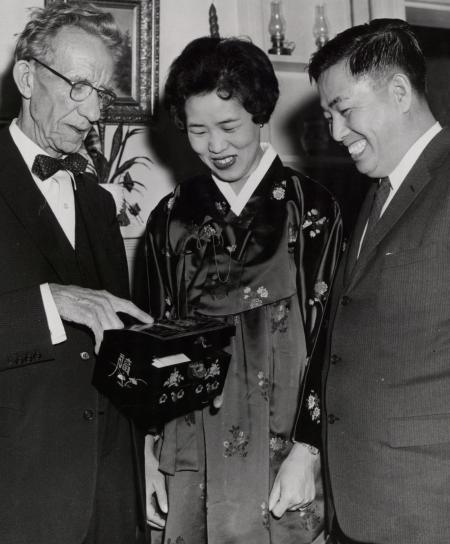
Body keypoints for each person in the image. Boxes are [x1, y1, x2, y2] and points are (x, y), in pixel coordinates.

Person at [135, 36, 342, 544]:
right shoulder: (170, 218)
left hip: (287, 439)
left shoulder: (309, 208)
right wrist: (144, 452)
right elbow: (148, 337)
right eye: (199, 131)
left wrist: (309, 448)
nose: (216, 146)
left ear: (259, 114)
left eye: (229, 127)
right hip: (191, 441)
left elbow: (330, 338)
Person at [272, 18, 450, 544]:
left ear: (398, 91)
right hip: (363, 502)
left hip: (426, 508)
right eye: (328, 116)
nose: (335, 133)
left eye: (344, 111)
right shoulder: (375, 191)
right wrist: (308, 449)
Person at [0, 2, 153, 543]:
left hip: (109, 493)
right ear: (26, 76)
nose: (93, 112)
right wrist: (50, 303)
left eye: (103, 94)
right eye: (78, 85)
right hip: (17, 497)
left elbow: (114, 343)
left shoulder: (95, 200)